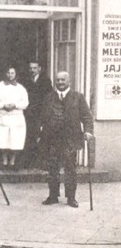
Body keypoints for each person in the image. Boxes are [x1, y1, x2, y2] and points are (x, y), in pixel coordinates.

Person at [39, 71, 94, 208]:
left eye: (63, 80)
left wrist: (88, 131)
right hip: (52, 140)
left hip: (70, 140)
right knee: (52, 168)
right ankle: (53, 196)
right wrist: (41, 129)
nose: (60, 83)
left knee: (70, 169)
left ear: (69, 81)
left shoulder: (78, 97)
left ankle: (71, 197)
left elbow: (87, 117)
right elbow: (42, 117)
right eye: (58, 80)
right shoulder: (48, 97)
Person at [0, 66, 29, 170]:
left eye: (12, 73)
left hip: (16, 117)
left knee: (15, 140)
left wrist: (15, 105)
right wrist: (3, 105)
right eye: (8, 73)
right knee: (3, 139)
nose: (10, 75)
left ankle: (12, 162)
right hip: (3, 116)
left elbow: (25, 103)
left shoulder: (20, 88)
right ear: (5, 74)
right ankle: (4, 161)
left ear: (15, 74)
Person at [23, 61, 52, 168]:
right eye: (30, 68)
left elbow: (48, 97)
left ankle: (40, 161)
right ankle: (29, 161)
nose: (32, 70)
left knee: (41, 136)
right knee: (29, 136)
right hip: (29, 112)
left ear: (39, 69)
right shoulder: (25, 81)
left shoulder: (45, 81)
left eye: (35, 68)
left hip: (40, 112)